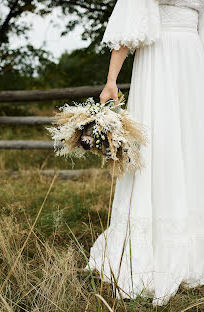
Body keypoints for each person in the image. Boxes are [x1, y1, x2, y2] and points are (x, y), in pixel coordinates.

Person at [85, 0, 204, 306]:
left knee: (193, 144)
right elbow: (130, 19)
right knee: (158, 143)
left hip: (193, 62)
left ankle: (191, 250)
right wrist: (111, 80)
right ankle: (152, 249)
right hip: (159, 58)